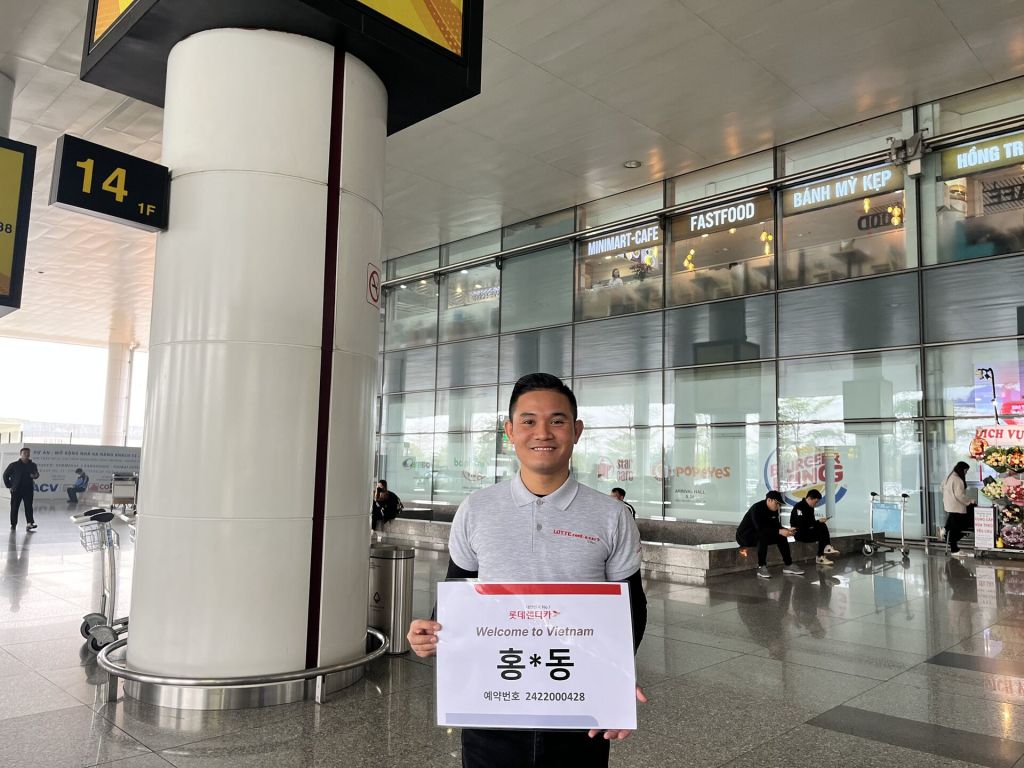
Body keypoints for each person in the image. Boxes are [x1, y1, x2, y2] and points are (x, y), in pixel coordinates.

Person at [407, 373, 647, 768]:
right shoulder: (476, 509)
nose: (543, 433)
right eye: (528, 421)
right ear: (510, 432)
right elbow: (458, 592)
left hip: (579, 709)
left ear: (576, 431)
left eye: (557, 420)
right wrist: (431, 633)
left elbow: (631, 607)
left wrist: (616, 682)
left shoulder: (612, 516)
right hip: (490, 707)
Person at [735, 490, 804, 579]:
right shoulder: (757, 508)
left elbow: (776, 526)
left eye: (779, 505)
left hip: (759, 535)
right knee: (762, 536)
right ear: (769, 500)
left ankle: (788, 565)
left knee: (781, 536)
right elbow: (760, 529)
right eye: (777, 503)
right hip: (745, 537)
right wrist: (780, 531)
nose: (778, 506)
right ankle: (761, 567)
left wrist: (787, 530)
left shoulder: (773, 510)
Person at [789, 489, 841, 565]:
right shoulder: (799, 507)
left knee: (822, 526)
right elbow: (801, 525)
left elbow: (812, 524)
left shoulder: (810, 508)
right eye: (815, 502)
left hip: (807, 531)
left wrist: (819, 522)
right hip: (800, 534)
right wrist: (818, 522)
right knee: (821, 531)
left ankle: (826, 548)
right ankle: (821, 555)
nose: (816, 504)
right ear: (809, 498)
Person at [942, 461, 974, 558]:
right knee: (958, 528)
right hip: (957, 506)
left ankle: (945, 531)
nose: (966, 473)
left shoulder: (948, 477)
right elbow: (960, 495)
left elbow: (941, 488)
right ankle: (954, 549)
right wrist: (970, 501)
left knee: (952, 526)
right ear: (962, 470)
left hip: (949, 505)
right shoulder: (957, 480)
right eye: (966, 471)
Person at [3, 448, 39, 532]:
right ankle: (13, 524)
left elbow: (36, 474)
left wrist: (35, 476)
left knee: (29, 507)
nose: (26, 454)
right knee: (14, 507)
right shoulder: (14, 465)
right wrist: (9, 486)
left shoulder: (33, 465)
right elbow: (5, 475)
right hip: (16, 490)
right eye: (24, 453)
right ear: (20, 454)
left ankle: (29, 523)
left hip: (28, 490)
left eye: (28, 453)